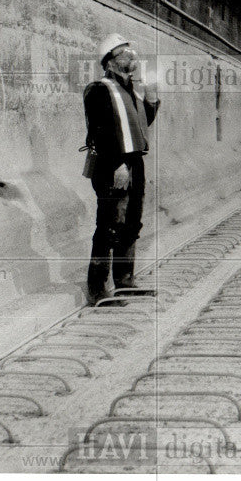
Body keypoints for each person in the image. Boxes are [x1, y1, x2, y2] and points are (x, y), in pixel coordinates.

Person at [82, 34, 160, 305]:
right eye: (125, 53)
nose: (132, 56)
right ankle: (96, 288)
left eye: (131, 52)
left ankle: (125, 281)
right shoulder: (99, 89)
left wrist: (151, 102)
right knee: (109, 225)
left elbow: (139, 125)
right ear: (111, 62)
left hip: (133, 163)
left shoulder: (131, 91)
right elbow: (99, 132)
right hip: (111, 164)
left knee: (131, 222)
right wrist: (118, 165)